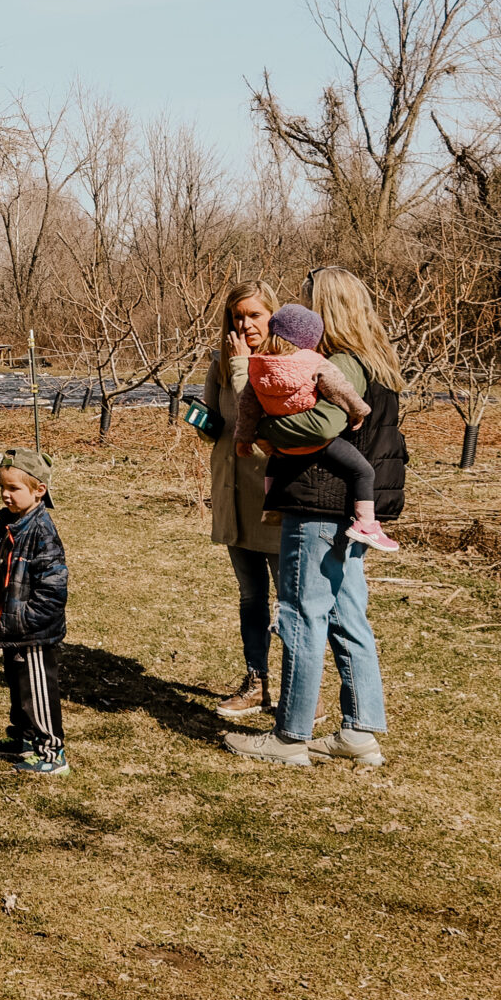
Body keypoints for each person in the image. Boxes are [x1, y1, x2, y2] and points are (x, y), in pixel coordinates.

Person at [224, 266, 403, 770]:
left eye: (309, 303)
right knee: (348, 615)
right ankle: (360, 732)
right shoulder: (379, 360)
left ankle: (291, 734)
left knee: (302, 615)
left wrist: (264, 431)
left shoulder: (340, 362)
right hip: (353, 505)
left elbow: (321, 426)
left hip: (319, 501)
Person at [193, 279, 286, 720]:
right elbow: (217, 422)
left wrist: (240, 366)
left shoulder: (286, 361)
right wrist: (203, 420)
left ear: (272, 316)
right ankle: (257, 680)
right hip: (232, 489)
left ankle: (300, 687)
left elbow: (264, 414)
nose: (245, 323)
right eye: (237, 316)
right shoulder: (220, 361)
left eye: (254, 314)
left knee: (291, 601)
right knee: (251, 596)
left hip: (273, 495)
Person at [238, 304, 398, 552]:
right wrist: (359, 411)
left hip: (283, 447)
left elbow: (247, 405)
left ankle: (272, 508)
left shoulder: (258, 365)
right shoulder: (315, 362)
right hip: (319, 443)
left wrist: (247, 436)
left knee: (274, 462)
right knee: (363, 472)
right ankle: (366, 523)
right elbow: (339, 390)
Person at [0, 450, 70, 775]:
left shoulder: (42, 532)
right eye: (2, 487)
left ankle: (52, 753)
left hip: (32, 632)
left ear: (39, 490)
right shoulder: (12, 522)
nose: (6, 494)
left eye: (14, 488)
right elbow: (11, 568)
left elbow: (53, 588)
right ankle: (24, 739)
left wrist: (27, 623)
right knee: (19, 688)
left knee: (37, 691)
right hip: (14, 626)